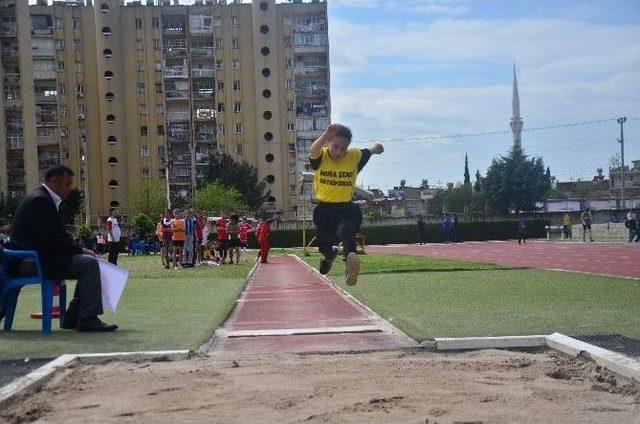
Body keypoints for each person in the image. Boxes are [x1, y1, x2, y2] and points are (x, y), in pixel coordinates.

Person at [7, 166, 117, 332]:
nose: (69, 189)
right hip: (31, 261)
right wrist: (79, 251)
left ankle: (73, 316)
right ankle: (87, 318)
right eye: (67, 184)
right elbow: (50, 239)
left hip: (38, 257)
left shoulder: (44, 199)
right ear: (54, 182)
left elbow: (57, 236)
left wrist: (79, 250)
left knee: (89, 261)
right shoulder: (40, 201)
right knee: (88, 265)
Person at [309, 123, 383, 285]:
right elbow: (313, 150)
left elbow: (369, 151)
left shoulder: (354, 157)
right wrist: (326, 134)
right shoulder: (321, 156)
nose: (339, 152)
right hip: (324, 210)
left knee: (347, 231)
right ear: (328, 143)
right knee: (324, 244)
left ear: (348, 147)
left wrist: (376, 147)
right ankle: (328, 256)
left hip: (346, 208)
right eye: (335, 147)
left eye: (343, 149)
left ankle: (351, 263)